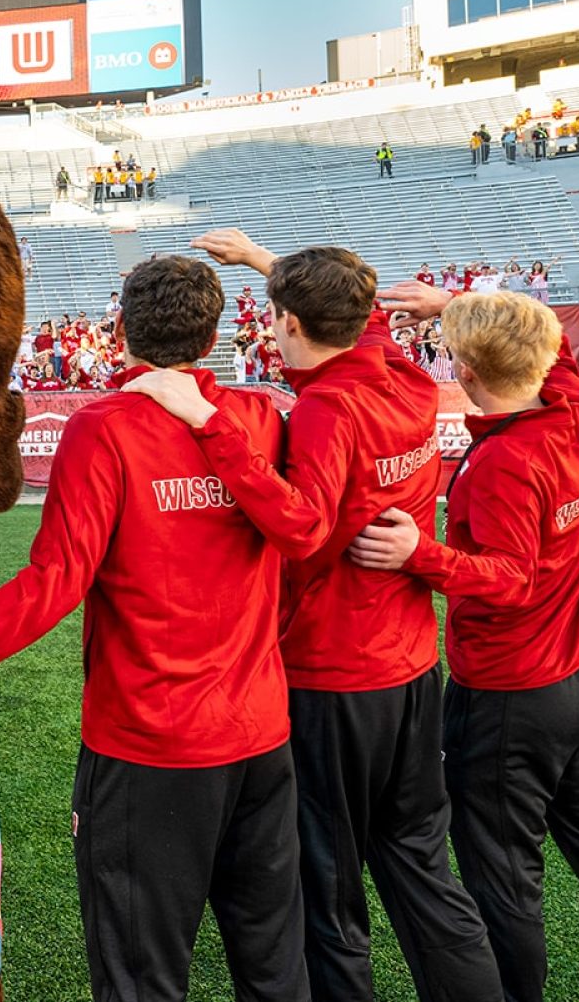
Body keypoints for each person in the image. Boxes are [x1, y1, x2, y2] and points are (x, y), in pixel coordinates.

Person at [0, 255, 310, 1001]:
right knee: (275, 967)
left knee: (141, 975)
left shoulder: (105, 428)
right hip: (263, 736)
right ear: (213, 338)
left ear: (117, 332)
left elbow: (53, 585)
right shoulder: (259, 417)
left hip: (152, 747)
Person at [126, 231, 501, 1001]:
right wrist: (272, 265)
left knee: (326, 891)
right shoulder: (405, 376)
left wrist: (209, 421)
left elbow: (299, 524)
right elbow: (359, 320)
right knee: (424, 867)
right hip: (410, 666)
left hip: (335, 675)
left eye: (275, 313)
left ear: (290, 323)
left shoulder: (328, 409)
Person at [346, 288, 579, 1002]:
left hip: (509, 700)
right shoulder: (576, 415)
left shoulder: (503, 462)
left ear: (462, 369)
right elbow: (547, 340)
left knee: (504, 885)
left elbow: (508, 579)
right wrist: (455, 304)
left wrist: (416, 552)